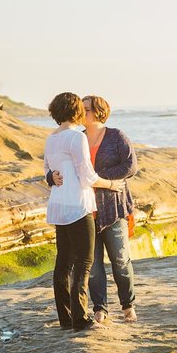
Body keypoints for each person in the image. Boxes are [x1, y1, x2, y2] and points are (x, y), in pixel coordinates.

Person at [51, 95, 139, 323]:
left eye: (87, 109)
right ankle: (101, 309)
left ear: (99, 112)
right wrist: (52, 176)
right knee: (94, 265)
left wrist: (101, 180)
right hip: (86, 209)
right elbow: (61, 169)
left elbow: (130, 166)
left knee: (120, 261)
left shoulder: (116, 136)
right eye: (81, 108)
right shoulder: (75, 138)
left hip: (113, 207)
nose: (83, 112)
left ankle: (128, 305)